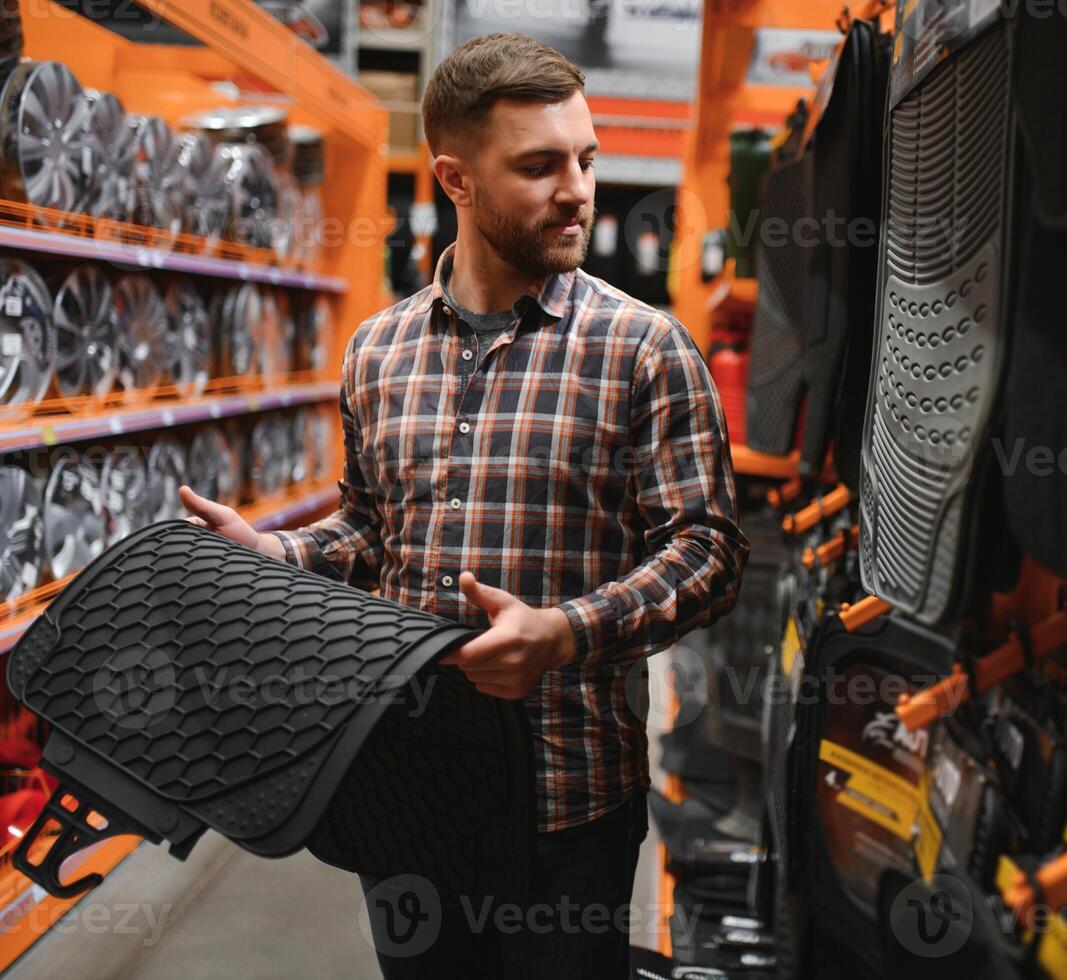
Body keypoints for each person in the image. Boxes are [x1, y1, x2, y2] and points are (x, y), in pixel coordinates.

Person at [179, 31, 749, 978]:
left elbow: (710, 551)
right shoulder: (378, 350)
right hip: (408, 788)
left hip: (567, 799)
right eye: (538, 165)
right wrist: (279, 557)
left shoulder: (644, 350)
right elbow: (371, 525)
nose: (577, 189)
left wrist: (564, 632)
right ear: (455, 179)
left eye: (586, 158)